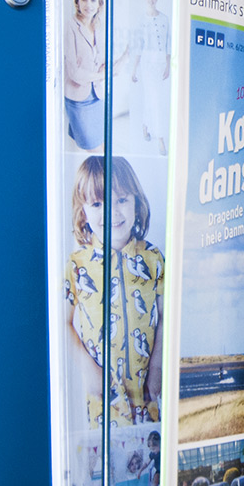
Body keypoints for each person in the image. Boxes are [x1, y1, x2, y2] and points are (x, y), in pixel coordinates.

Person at [64, 155, 164, 426]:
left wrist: (157, 367)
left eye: (121, 200)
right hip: (103, 402)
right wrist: (86, 368)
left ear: (136, 203)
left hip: (148, 395)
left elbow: (166, 317)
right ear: (83, 212)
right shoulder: (76, 265)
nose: (112, 212)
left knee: (151, 451)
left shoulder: (154, 258)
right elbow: (61, 322)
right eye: (98, 204)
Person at [64, 0, 110, 152]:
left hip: (97, 95)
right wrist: (100, 75)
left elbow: (104, 60)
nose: (88, 4)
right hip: (78, 98)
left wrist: (101, 71)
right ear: (77, 1)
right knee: (94, 150)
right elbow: (75, 73)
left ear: (99, 4)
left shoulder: (99, 26)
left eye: (93, 0)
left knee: (101, 143)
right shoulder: (70, 26)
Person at [131, 0, 171, 155]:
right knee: (155, 100)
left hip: (161, 62)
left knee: (154, 98)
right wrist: (134, 69)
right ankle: (160, 139)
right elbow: (138, 46)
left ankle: (145, 125)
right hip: (147, 63)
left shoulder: (164, 19)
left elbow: (168, 43)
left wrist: (168, 65)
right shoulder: (141, 21)